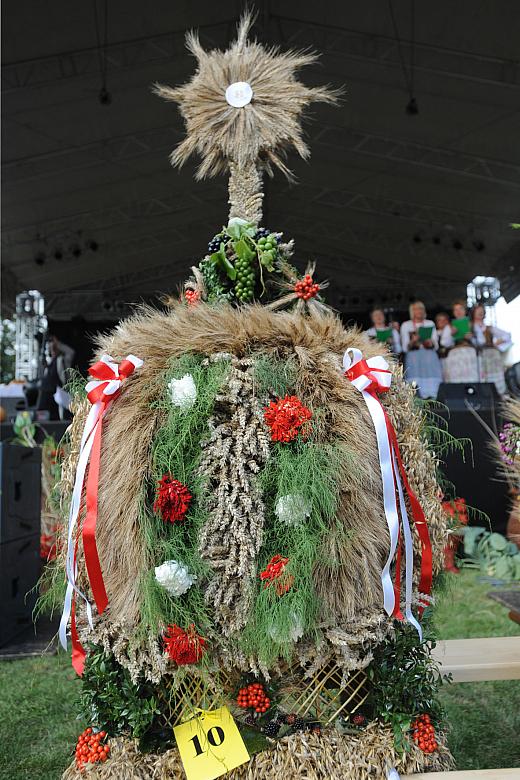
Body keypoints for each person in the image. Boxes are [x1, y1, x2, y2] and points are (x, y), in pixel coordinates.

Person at [401, 301, 442, 398]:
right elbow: (404, 347)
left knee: (432, 388)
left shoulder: (430, 323)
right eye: (416, 309)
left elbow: (436, 345)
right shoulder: (406, 325)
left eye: (421, 308)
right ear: (412, 311)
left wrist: (430, 342)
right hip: (414, 359)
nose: (419, 311)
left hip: (429, 358)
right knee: (415, 386)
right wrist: (413, 341)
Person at [37, 334, 75, 420]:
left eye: (52, 346)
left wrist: (57, 343)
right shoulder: (49, 362)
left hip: (59, 393)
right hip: (47, 395)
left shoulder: (62, 359)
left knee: (60, 417)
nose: (51, 348)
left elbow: (71, 352)